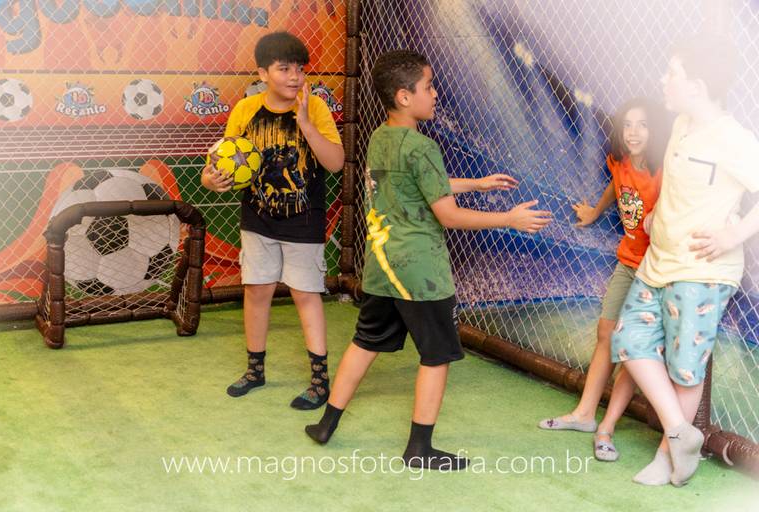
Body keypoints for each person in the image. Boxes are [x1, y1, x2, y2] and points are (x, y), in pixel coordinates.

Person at [304, 49, 553, 470]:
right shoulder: (422, 147)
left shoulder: (380, 137)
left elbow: (418, 184)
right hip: (422, 275)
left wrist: (476, 183)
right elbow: (448, 215)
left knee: (365, 343)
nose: (436, 94)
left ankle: (326, 424)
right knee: (436, 356)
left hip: (382, 269)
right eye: (429, 86)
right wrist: (509, 219)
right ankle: (419, 449)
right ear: (404, 97)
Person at [611, 35, 759, 486]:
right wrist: (658, 215)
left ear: (696, 85)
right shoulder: (680, 125)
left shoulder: (733, 138)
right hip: (659, 260)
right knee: (628, 339)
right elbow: (679, 186)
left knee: (685, 367)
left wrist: (733, 233)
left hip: (702, 270)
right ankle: (682, 432)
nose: (663, 80)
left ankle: (668, 457)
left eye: (672, 73)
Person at [201, 31, 344, 410]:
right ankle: (255, 370)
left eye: (300, 69)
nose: (294, 77)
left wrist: (306, 124)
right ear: (263, 73)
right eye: (284, 69)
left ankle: (320, 381)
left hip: (304, 219)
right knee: (257, 291)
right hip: (258, 219)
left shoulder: (316, 107)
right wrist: (211, 180)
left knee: (305, 295)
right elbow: (219, 162)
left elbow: (335, 164)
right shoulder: (246, 110)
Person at [539, 97, 668, 462]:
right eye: (627, 125)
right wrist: (596, 211)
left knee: (632, 345)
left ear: (655, 131)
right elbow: (617, 184)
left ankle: (607, 426)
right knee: (605, 332)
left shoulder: (662, 171)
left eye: (642, 125)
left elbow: (674, 206)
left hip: (654, 269)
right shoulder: (619, 160)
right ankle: (584, 414)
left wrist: (659, 218)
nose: (633, 133)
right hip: (627, 263)